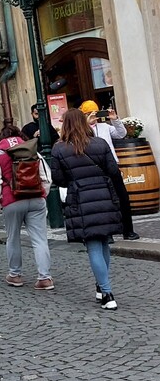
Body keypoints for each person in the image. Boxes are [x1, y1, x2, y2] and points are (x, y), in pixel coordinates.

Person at [50, 107, 125, 309]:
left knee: (93, 244)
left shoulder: (59, 149)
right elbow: (112, 170)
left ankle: (107, 293)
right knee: (104, 242)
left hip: (81, 197)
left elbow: (58, 179)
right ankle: (102, 288)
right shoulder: (100, 144)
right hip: (104, 195)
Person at [0, 119, 54, 291]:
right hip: (36, 198)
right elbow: (46, 177)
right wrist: (43, 194)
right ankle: (45, 278)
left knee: (13, 238)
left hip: (12, 201)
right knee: (40, 239)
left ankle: (15, 275)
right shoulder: (32, 150)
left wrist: (1, 199)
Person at [79, 101, 140, 240]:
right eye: (88, 114)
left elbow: (121, 134)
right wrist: (85, 124)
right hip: (94, 169)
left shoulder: (105, 127)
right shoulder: (81, 130)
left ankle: (128, 230)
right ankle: (107, 232)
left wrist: (115, 120)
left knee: (123, 198)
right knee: (103, 201)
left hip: (111, 166)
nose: (93, 116)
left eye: (95, 113)